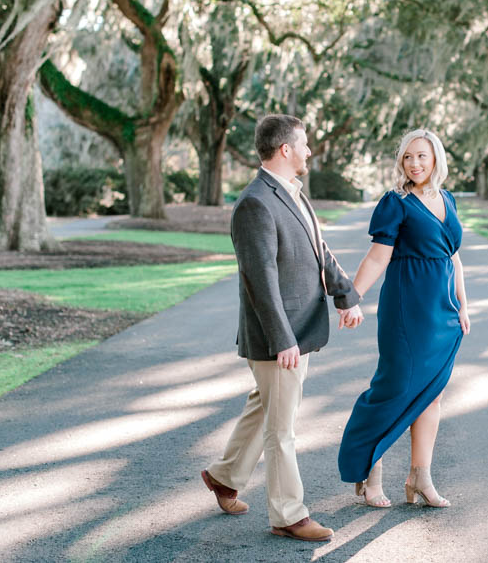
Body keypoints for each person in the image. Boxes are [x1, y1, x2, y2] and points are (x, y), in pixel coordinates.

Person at [201, 114, 364, 542]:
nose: (310, 151)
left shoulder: (292, 193)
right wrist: (282, 339)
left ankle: (225, 475)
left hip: (298, 331)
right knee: (282, 429)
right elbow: (261, 280)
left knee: (264, 406)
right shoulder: (255, 202)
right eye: (304, 144)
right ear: (285, 149)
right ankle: (288, 514)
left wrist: (344, 294)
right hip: (280, 338)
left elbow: (318, 249)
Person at [337, 128, 470, 509]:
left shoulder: (448, 199)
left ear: (436, 159)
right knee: (394, 388)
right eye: (408, 156)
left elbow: (453, 256)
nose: (414, 163)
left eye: (421, 156)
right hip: (406, 308)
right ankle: (369, 471)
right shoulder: (395, 202)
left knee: (432, 394)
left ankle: (420, 478)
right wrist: (352, 297)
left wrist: (463, 304)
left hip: (442, 312)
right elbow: (378, 257)